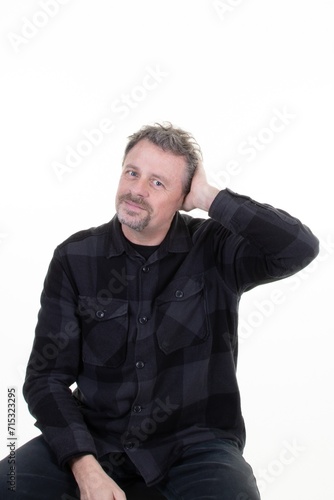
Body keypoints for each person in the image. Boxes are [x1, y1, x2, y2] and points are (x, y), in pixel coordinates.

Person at [0, 122, 319, 499]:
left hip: (195, 447)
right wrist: (85, 467)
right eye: (132, 173)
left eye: (157, 182)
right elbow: (46, 378)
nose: (136, 190)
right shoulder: (75, 257)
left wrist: (210, 196)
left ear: (184, 195)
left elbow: (297, 247)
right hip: (94, 441)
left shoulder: (213, 249)